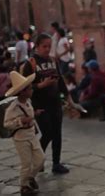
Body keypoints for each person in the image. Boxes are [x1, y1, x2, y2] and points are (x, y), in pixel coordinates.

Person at [21, 33, 73, 174]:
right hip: (40, 104)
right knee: (47, 132)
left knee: (57, 134)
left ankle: (56, 163)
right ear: (37, 46)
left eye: (49, 46)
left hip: (55, 102)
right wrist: (41, 85)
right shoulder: (30, 64)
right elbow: (25, 88)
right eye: (44, 46)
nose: (47, 49)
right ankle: (39, 159)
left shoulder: (53, 60)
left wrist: (68, 97)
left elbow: (60, 80)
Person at [3, 71, 45, 195]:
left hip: (31, 135)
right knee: (26, 163)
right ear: (22, 92)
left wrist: (35, 114)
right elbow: (6, 124)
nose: (32, 90)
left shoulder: (28, 102)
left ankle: (30, 178)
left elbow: (29, 115)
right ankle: (24, 186)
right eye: (30, 89)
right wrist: (20, 121)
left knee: (40, 159)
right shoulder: (13, 107)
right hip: (21, 138)